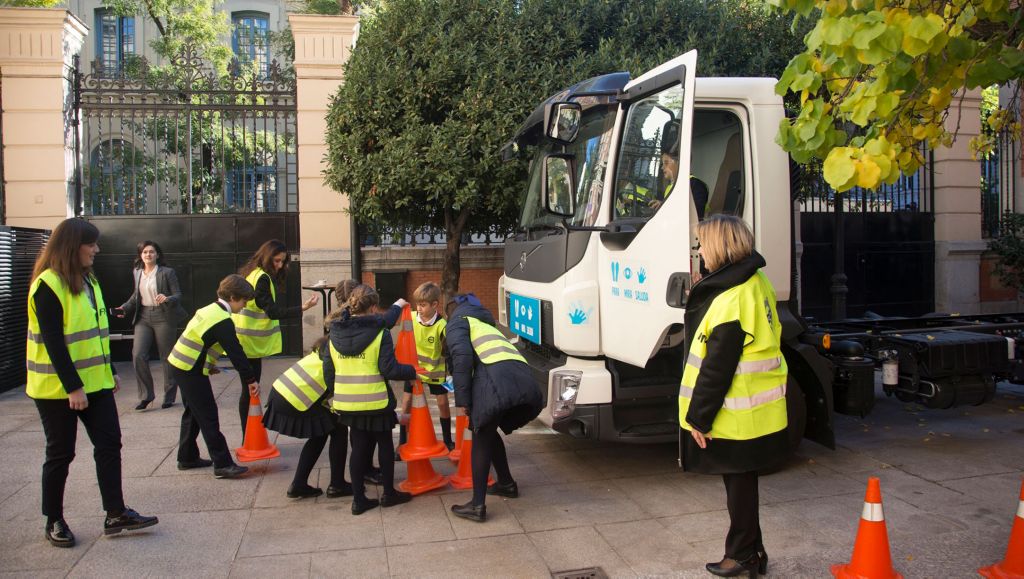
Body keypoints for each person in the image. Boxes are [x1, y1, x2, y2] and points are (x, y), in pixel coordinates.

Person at [26, 218, 158, 548]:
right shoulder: (48, 285)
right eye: (92, 244)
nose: (97, 249)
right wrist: (73, 387)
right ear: (73, 246)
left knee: (110, 444)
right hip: (57, 389)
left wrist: (109, 369)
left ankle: (115, 513)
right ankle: (53, 519)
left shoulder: (89, 281)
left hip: (95, 382)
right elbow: (54, 341)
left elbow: (97, 334)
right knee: (61, 453)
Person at [677, 215, 788, 577]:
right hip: (758, 408)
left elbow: (717, 367)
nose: (699, 251)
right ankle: (752, 552)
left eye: (702, 244)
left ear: (721, 246)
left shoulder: (732, 299)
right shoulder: (756, 281)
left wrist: (699, 418)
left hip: (735, 413)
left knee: (738, 486)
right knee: (743, 483)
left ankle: (742, 555)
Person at [444, 293, 542, 523]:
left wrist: (463, 401)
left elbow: (462, 359)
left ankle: (477, 505)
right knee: (489, 430)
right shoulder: (487, 325)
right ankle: (506, 483)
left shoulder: (458, 322)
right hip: (522, 379)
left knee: (480, 434)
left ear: (452, 310)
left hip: (495, 381)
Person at [323, 284, 415, 515]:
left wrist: (337, 393)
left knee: (359, 448)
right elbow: (389, 369)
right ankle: (389, 494)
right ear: (373, 307)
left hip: (346, 402)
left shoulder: (334, 333)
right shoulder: (379, 333)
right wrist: (413, 371)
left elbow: (328, 372)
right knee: (384, 444)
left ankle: (358, 500)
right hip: (375, 400)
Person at [169, 274, 260, 480]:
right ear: (233, 297)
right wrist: (251, 380)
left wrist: (208, 365)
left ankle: (187, 457)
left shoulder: (208, 309)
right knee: (208, 415)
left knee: (193, 413)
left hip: (181, 363)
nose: (244, 306)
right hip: (189, 368)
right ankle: (223, 463)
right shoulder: (223, 321)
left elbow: (202, 340)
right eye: (244, 301)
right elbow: (236, 353)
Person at [234, 240, 318, 439]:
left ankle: (249, 436)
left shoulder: (251, 273)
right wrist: (302, 309)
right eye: (277, 261)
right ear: (267, 257)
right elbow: (272, 312)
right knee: (250, 390)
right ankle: (249, 437)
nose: (280, 266)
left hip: (244, 340)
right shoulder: (262, 278)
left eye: (283, 262)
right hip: (250, 343)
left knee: (248, 389)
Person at [114, 240, 188, 411]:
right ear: (141, 255)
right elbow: (136, 296)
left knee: (167, 357)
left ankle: (169, 396)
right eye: (145, 252)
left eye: (151, 252)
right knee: (138, 354)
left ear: (157, 255)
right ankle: (146, 396)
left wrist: (167, 298)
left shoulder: (167, 272)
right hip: (144, 316)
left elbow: (178, 294)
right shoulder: (137, 272)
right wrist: (124, 308)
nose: (148, 254)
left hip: (163, 315)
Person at [397, 281, 452, 454]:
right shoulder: (411, 318)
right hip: (414, 370)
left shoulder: (442, 325)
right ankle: (402, 442)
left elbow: (448, 351)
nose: (418, 308)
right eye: (417, 305)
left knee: (443, 404)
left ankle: (448, 440)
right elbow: (403, 340)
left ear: (435, 304)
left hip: (436, 372)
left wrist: (451, 375)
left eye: (422, 305)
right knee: (405, 404)